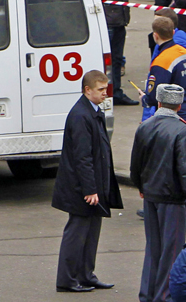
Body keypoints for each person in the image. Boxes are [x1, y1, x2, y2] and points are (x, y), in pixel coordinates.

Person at [53, 70, 122, 293]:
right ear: (87, 90)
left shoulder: (93, 111)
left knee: (91, 234)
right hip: (81, 188)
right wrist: (90, 189)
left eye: (106, 88)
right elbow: (82, 157)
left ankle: (86, 275)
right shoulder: (81, 116)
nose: (105, 93)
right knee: (77, 233)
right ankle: (67, 279)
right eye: (101, 89)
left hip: (94, 186)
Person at [131, 84, 186, 302]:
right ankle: (164, 296)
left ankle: (147, 294)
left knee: (153, 248)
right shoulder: (182, 130)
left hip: (150, 195)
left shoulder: (145, 127)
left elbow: (135, 164)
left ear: (159, 102)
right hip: (172, 198)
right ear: (179, 106)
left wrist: (141, 186)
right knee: (171, 251)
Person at [143, 14, 186, 125]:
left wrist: (145, 98)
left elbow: (155, 96)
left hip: (172, 117)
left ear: (155, 36)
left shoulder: (162, 61)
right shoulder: (185, 53)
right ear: (173, 32)